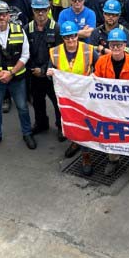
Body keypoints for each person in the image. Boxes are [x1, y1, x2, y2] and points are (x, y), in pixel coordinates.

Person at [0, 1, 36, 152]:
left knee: (22, 107)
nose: (1, 17)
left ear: (9, 15)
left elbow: (25, 54)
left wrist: (10, 73)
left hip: (16, 78)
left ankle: (27, 133)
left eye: (4, 14)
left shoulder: (19, 30)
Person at [93, 28, 129, 177]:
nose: (116, 48)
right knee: (112, 132)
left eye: (119, 45)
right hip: (110, 108)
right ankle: (113, 159)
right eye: (112, 45)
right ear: (108, 46)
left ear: (125, 45)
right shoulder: (102, 62)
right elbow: (95, 80)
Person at [47, 21, 100, 172]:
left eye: (73, 36)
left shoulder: (88, 50)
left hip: (85, 95)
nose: (70, 40)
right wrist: (50, 73)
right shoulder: (55, 52)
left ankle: (85, 155)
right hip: (67, 96)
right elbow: (49, 69)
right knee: (72, 122)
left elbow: (100, 66)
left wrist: (96, 75)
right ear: (62, 38)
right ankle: (76, 142)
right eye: (67, 38)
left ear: (78, 35)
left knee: (85, 123)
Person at [26, 0, 63, 140]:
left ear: (48, 9)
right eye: (37, 11)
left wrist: (44, 70)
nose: (40, 14)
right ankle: (41, 123)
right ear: (33, 11)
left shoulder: (56, 28)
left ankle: (61, 126)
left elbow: (58, 53)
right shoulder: (27, 29)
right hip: (34, 74)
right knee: (37, 101)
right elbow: (25, 52)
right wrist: (32, 69)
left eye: (43, 10)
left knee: (57, 102)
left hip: (51, 73)